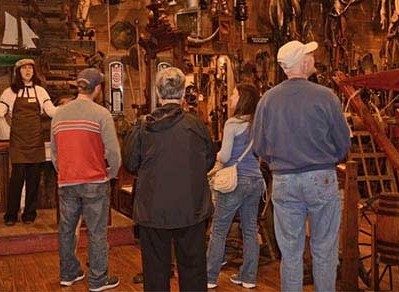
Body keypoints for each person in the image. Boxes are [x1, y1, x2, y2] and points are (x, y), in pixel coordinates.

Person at [252, 40, 351, 292]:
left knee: (291, 251)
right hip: (320, 177)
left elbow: (259, 146)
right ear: (304, 62)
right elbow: (343, 143)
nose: (314, 59)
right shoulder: (325, 96)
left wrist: (278, 163)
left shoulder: (268, 100)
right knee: (324, 248)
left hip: (284, 180)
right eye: (310, 55)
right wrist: (330, 159)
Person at [124, 67, 215, 292]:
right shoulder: (196, 125)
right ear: (183, 93)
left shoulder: (143, 127)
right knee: (193, 270)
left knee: (155, 272)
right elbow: (209, 161)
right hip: (190, 207)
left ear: (157, 93)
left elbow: (130, 164)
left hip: (153, 208)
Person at [50, 68, 121, 291]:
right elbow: (113, 152)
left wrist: (64, 171)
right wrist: (112, 173)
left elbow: (54, 153)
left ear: (78, 87)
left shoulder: (59, 114)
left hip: (67, 179)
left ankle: (68, 274)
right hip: (94, 181)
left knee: (67, 230)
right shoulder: (101, 114)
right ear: (98, 89)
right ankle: (98, 280)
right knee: (97, 232)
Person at [0, 58, 56, 225]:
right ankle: (10, 215)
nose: (28, 71)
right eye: (24, 68)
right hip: (18, 142)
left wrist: (68, 107)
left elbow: (51, 111)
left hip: (36, 141)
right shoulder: (9, 92)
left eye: (30, 67)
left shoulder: (40, 91)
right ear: (18, 72)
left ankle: (29, 214)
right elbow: (0, 113)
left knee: (33, 180)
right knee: (16, 179)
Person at [206, 84, 264, 289]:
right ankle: (248, 278)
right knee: (249, 230)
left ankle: (210, 277)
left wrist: (214, 157)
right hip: (256, 181)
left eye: (234, 94)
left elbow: (225, 155)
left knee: (219, 230)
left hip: (235, 181)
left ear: (243, 99)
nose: (230, 97)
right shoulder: (259, 123)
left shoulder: (232, 124)